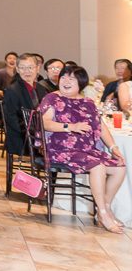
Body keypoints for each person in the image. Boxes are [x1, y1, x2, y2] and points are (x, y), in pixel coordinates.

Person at [39, 65, 127, 233]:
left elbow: (100, 126)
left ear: (81, 83)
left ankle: (106, 208)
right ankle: (101, 213)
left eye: (71, 79)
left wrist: (113, 148)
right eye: (64, 77)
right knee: (97, 166)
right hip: (61, 149)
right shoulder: (52, 98)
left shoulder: (87, 102)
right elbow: (44, 123)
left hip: (86, 150)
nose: (65, 81)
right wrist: (69, 126)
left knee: (119, 167)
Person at [1, 53, 48, 157]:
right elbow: (11, 119)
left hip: (39, 136)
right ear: (17, 69)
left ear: (37, 69)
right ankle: (47, 171)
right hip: (23, 138)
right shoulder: (12, 90)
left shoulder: (41, 89)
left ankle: (48, 171)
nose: (27, 71)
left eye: (30, 67)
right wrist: (34, 134)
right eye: (22, 68)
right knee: (52, 149)